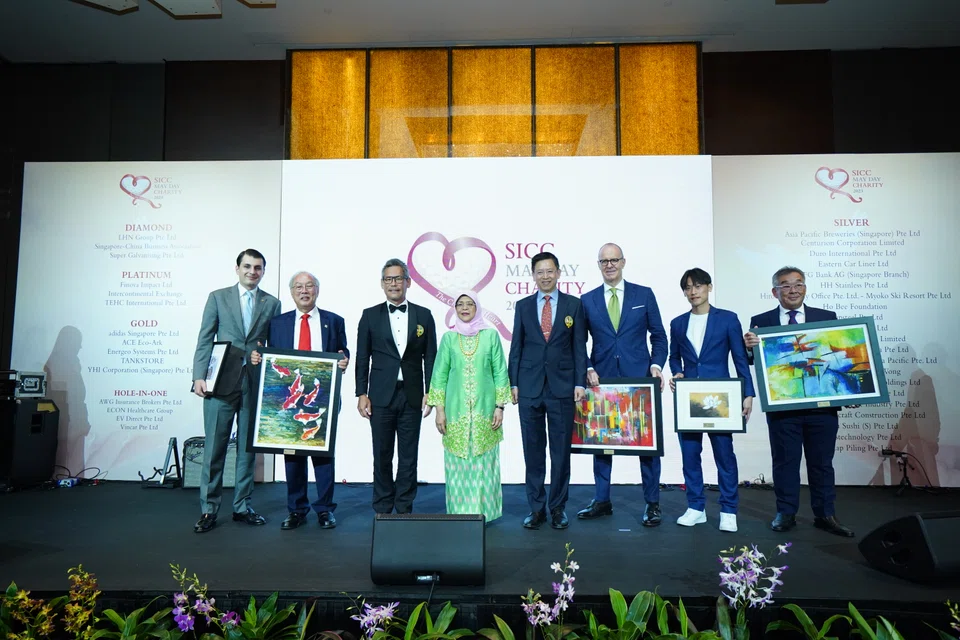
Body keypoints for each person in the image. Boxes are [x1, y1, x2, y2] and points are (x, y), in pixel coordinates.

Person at [744, 266, 854, 537]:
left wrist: (850, 389)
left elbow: (837, 358)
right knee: (785, 461)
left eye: (798, 284)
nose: (792, 290)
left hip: (822, 407)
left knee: (822, 462)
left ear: (805, 287)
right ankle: (786, 512)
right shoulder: (761, 321)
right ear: (775, 291)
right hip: (783, 408)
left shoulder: (826, 318)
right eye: (786, 285)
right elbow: (752, 361)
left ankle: (825, 514)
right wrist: (749, 347)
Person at [576, 243, 667, 526]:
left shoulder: (644, 294)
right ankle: (602, 500)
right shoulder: (587, 300)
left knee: (646, 446)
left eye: (614, 260)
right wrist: (588, 367)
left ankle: (652, 504)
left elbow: (659, 336)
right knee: (601, 444)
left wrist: (655, 365)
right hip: (601, 380)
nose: (610, 265)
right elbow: (579, 342)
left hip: (639, 379)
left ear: (623, 262)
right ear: (598, 265)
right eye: (604, 261)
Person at [191, 249, 281, 533]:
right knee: (214, 448)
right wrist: (198, 376)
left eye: (257, 268)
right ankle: (208, 510)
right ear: (237, 268)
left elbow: (273, 345)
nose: (252, 272)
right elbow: (205, 339)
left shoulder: (272, 302)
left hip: (254, 382)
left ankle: (242, 506)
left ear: (263, 271)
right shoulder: (218, 297)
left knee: (247, 449)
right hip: (219, 382)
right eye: (247, 266)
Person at [251, 271, 349, 530]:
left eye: (309, 286)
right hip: (290, 398)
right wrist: (258, 358)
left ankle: (325, 509)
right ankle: (296, 509)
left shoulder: (334, 321)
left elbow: (343, 351)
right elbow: (269, 356)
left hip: (322, 397)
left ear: (317, 290)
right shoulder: (277, 323)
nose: (304, 291)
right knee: (292, 454)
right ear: (292, 292)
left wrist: (343, 359)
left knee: (323, 454)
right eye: (298, 287)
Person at [668, 268, 754, 533]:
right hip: (688, 398)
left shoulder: (728, 319)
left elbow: (740, 359)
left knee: (724, 455)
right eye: (688, 288)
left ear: (709, 287)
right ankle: (696, 507)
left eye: (698, 286)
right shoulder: (678, 323)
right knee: (690, 456)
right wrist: (677, 372)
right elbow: (674, 356)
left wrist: (748, 393)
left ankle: (728, 510)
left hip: (721, 398)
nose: (693, 292)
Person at [508, 251, 587, 530]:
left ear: (558, 273)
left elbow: (580, 347)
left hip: (562, 388)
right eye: (539, 272)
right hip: (529, 388)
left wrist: (580, 383)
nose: (545, 276)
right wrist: (513, 384)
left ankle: (558, 508)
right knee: (533, 452)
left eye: (549, 271)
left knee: (560, 452)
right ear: (533, 275)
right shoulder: (523, 306)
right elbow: (516, 347)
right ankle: (536, 508)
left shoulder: (573, 305)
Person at [355, 258, 437, 514]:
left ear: (408, 282)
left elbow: (431, 357)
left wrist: (430, 392)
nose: (394, 283)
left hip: (412, 395)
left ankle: (404, 507)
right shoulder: (369, 315)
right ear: (382, 284)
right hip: (380, 396)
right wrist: (361, 392)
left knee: (408, 456)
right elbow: (361, 357)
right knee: (381, 453)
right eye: (388, 279)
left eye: (398, 278)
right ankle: (382, 506)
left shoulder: (424, 315)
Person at [427, 291, 511, 522]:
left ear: (478, 307)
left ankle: (484, 515)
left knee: (484, 466)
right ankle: (460, 516)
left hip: (486, 413)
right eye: (460, 304)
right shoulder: (448, 339)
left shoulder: (490, 336)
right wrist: (440, 410)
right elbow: (439, 376)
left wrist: (499, 407)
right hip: (456, 414)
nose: (464, 308)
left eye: (469, 304)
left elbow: (500, 372)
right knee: (458, 467)